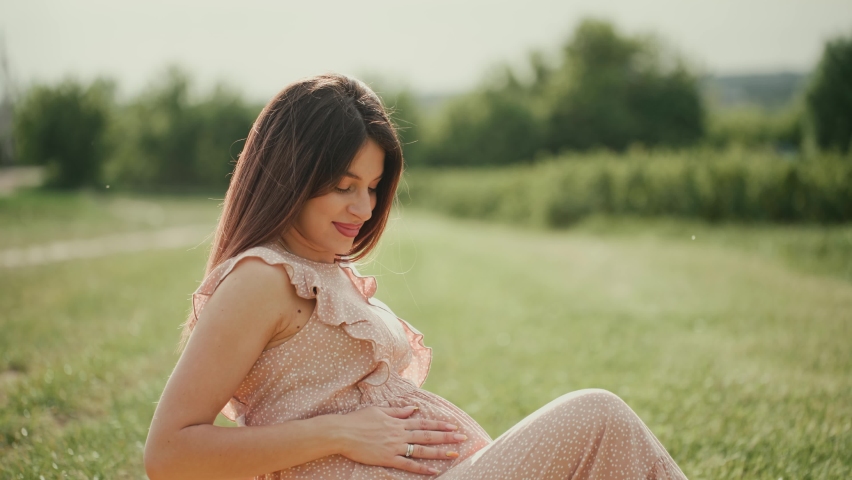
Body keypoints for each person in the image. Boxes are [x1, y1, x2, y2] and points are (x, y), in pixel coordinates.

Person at [143, 73, 688, 480]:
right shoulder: (262, 278)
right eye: (343, 184)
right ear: (291, 173)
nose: (363, 206)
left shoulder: (326, 270)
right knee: (597, 414)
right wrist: (339, 432)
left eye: (374, 186)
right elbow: (169, 452)